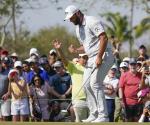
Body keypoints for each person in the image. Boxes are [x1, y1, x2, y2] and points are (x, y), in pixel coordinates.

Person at [64, 5, 114, 122]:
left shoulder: (92, 21)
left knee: (95, 83)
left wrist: (99, 56)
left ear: (77, 13)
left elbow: (104, 38)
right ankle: (94, 113)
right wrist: (76, 50)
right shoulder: (78, 29)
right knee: (86, 85)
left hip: (104, 55)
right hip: (92, 58)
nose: (70, 20)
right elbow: (87, 46)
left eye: (71, 18)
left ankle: (103, 116)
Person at [53, 40, 89, 122]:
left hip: (91, 99)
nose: (85, 59)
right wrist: (59, 50)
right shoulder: (74, 67)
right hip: (79, 100)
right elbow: (64, 60)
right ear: (79, 58)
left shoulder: (91, 67)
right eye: (83, 57)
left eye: (86, 57)